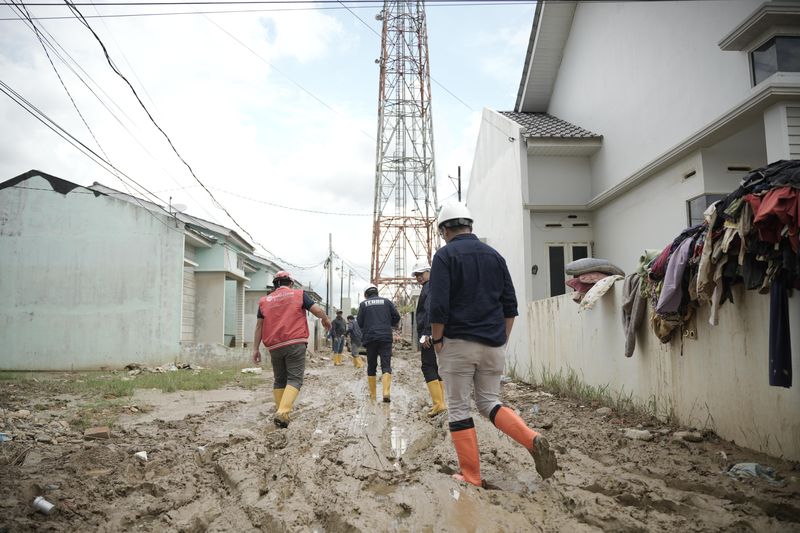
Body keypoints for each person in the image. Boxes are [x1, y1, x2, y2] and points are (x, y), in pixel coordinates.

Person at [428, 202, 558, 486]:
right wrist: (500, 340)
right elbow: (510, 307)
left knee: (460, 407)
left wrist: (438, 340)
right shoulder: (495, 256)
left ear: (444, 230)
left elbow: (437, 308)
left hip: (457, 344)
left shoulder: (444, 256)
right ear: (470, 225)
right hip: (494, 342)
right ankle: (531, 438)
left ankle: (472, 476)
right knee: (489, 402)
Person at [252, 271, 331, 428]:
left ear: (275, 284)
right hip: (295, 342)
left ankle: (281, 414)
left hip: (274, 346)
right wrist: (326, 319)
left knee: (279, 379)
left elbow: (259, 326)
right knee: (294, 379)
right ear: (291, 283)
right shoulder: (299, 294)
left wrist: (255, 348)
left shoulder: (264, 301)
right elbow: (317, 310)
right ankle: (282, 413)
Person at [412, 263, 447, 417]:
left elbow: (429, 310)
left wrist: (426, 333)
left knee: (428, 366)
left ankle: (439, 404)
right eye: (416, 275)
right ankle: (441, 403)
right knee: (435, 366)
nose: (419, 277)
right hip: (436, 333)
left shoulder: (429, 287)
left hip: (429, 334)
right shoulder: (434, 286)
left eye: (421, 273)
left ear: (429, 272)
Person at [356, 284, 400, 402]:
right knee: (386, 365)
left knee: (372, 365)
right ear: (376, 292)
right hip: (385, 337)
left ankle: (373, 395)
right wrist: (388, 324)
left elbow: (359, 323)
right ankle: (386, 392)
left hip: (370, 338)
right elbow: (396, 316)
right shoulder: (386, 302)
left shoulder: (363, 304)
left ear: (366, 294)